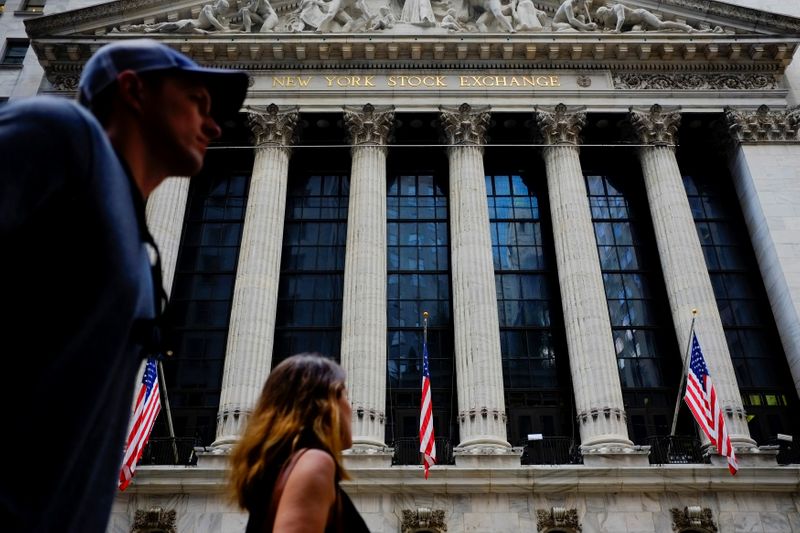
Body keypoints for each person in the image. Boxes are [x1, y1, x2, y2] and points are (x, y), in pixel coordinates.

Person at [0, 39, 248, 533]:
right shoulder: (62, 134)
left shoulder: (138, 248)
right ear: (134, 90)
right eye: (197, 101)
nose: (216, 125)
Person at [229, 354, 371, 533]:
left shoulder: (276, 469)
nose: (350, 407)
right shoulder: (314, 462)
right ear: (325, 405)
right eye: (345, 395)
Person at [595, 2, 719, 33]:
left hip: (642, 15)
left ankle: (686, 28)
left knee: (660, 25)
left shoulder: (617, 7)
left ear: (604, 12)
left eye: (602, 16)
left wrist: (616, 30)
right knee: (636, 31)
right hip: (637, 25)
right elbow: (607, 27)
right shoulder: (608, 18)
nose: (603, 19)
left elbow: (621, 19)